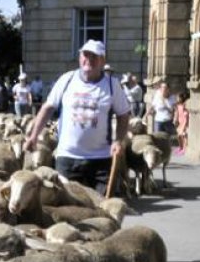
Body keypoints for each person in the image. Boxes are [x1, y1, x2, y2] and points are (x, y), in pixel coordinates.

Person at [25, 40, 131, 194]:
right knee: (68, 209)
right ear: (80, 57)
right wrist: (33, 136)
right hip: (68, 157)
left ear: (103, 60)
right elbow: (48, 108)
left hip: (101, 158)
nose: (88, 59)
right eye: (85, 55)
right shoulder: (67, 79)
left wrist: (119, 140)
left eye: (94, 56)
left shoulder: (112, 85)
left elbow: (123, 115)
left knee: (103, 209)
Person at [174, 89, 190, 155]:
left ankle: (184, 148)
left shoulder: (184, 106)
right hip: (180, 123)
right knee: (178, 136)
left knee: (184, 137)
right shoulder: (178, 106)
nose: (177, 99)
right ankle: (180, 147)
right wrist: (175, 120)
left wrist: (184, 125)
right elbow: (177, 113)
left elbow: (186, 116)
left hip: (184, 124)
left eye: (178, 97)